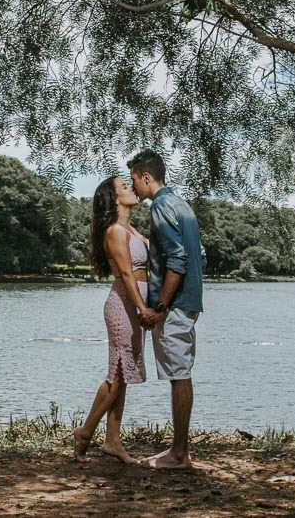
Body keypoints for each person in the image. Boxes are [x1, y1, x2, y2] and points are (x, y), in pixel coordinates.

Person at [128, 149, 205, 470]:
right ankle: (179, 450)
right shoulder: (182, 204)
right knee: (180, 372)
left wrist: (159, 307)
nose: (133, 188)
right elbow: (200, 254)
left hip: (173, 304)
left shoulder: (160, 206)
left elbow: (178, 260)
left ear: (147, 177)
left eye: (134, 180)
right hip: (189, 301)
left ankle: (179, 454)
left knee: (179, 374)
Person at [73, 176, 154, 464]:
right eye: (124, 187)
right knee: (118, 375)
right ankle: (85, 432)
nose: (131, 188)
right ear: (114, 199)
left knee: (123, 377)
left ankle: (112, 441)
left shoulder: (130, 228)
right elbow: (126, 275)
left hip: (132, 304)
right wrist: (143, 308)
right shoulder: (115, 231)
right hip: (124, 306)